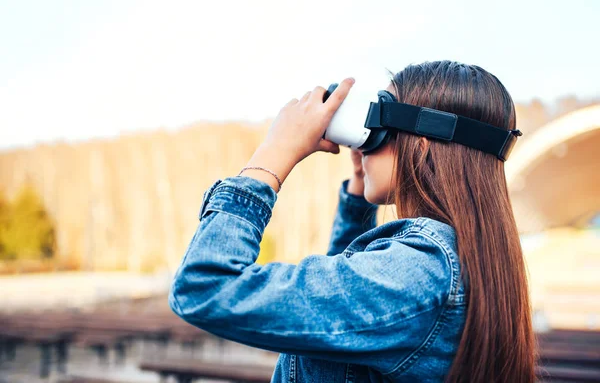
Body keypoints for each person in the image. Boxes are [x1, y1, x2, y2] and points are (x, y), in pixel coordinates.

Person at [168, 60, 537, 382]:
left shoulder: (419, 272)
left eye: (378, 129)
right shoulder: (454, 259)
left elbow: (204, 288)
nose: (363, 144)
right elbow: (347, 291)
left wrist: (272, 156)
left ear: (421, 145)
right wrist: (359, 195)